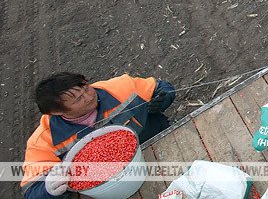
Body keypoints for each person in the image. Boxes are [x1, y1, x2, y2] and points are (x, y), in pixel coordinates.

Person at [20, 72, 175, 198]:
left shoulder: (118, 88)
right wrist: (47, 190)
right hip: (108, 190)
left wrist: (164, 98)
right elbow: (32, 190)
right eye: (78, 99)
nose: (89, 97)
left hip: (158, 149)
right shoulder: (43, 142)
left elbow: (162, 87)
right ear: (56, 112)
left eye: (86, 88)